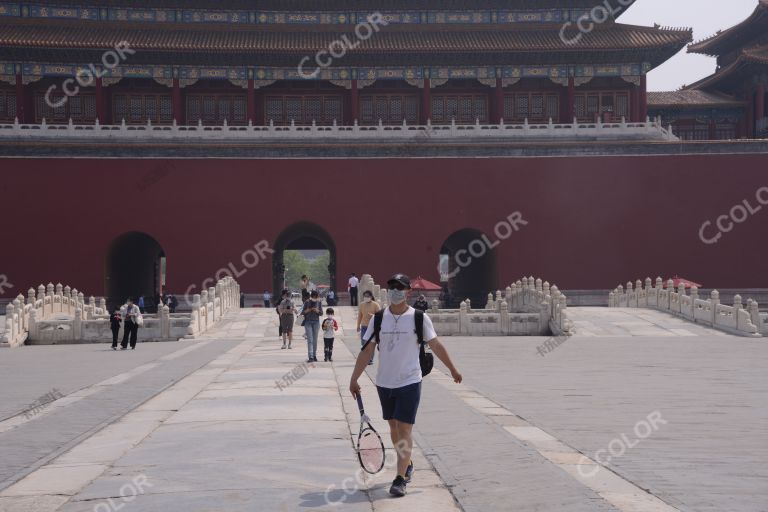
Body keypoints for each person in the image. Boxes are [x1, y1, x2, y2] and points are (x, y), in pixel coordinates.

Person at [350, 273, 462, 498]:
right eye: (392, 287)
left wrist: (452, 368)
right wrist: (354, 378)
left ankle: (400, 478)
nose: (395, 291)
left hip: (410, 380)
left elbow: (436, 345)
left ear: (408, 291)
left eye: (400, 287)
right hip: (384, 382)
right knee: (393, 427)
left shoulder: (418, 318)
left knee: (405, 428)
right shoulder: (379, 318)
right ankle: (408, 462)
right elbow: (367, 350)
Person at [357, 290, 381, 365]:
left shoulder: (375, 305)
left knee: (371, 343)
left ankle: (370, 359)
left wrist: (373, 316)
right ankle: (366, 357)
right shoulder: (361, 305)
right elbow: (360, 316)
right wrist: (358, 325)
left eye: (368, 296)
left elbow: (380, 315)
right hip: (364, 326)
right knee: (363, 343)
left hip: (372, 327)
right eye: (365, 296)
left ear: (371, 296)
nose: (366, 298)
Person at [301, 290, 323, 363]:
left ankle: (314, 355)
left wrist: (316, 310)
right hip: (308, 322)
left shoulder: (319, 302)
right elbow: (303, 312)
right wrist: (309, 309)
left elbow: (321, 313)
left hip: (316, 322)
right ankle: (310, 356)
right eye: (313, 297)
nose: (314, 298)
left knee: (315, 340)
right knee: (310, 340)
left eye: (316, 297)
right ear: (311, 296)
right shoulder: (307, 302)